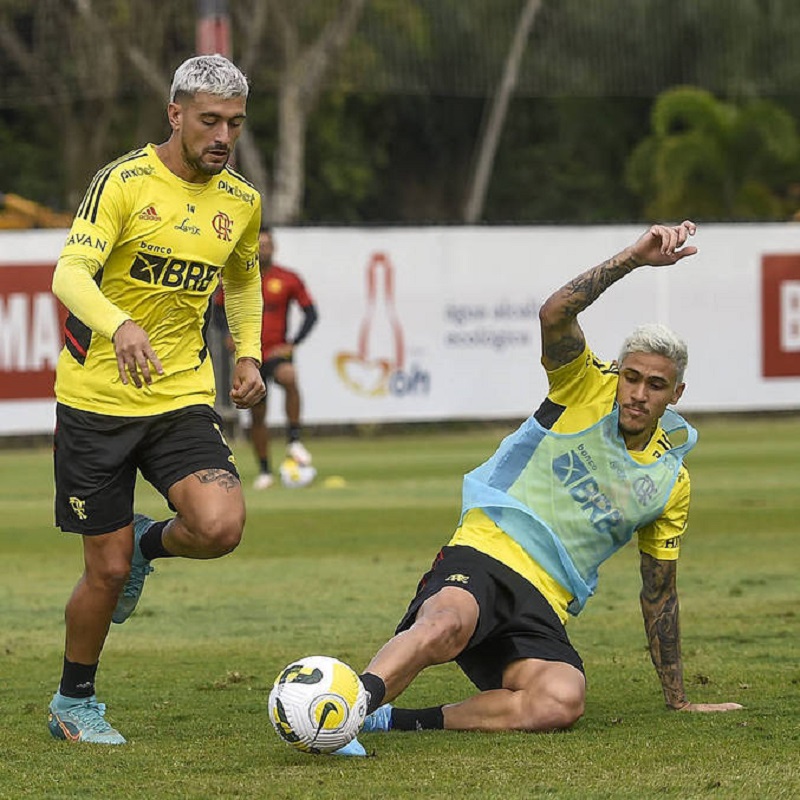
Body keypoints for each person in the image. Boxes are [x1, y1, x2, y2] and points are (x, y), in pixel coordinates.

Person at [339, 220, 742, 755]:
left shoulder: (670, 481)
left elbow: (659, 591)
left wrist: (678, 698)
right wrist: (633, 258)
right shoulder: (582, 383)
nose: (638, 393)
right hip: (484, 552)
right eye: (632, 376)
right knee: (444, 627)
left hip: (544, 602)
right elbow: (554, 313)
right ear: (619, 373)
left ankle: (392, 721)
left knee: (561, 700)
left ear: (676, 394)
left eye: (656, 384)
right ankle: (346, 709)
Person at [47, 54, 265, 745]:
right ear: (175, 115)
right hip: (95, 401)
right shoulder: (123, 182)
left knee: (220, 526)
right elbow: (71, 273)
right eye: (209, 121)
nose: (222, 135)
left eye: (233, 122)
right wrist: (122, 324)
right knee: (103, 573)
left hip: (179, 396)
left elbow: (245, 280)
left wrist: (250, 351)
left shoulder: (241, 200)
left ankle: (149, 542)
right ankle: (72, 702)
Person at [216, 226, 318, 489]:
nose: (264, 249)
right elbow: (216, 310)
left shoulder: (287, 278)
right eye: (260, 245)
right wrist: (228, 335)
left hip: (275, 352)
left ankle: (294, 439)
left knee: (289, 376)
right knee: (257, 414)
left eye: (268, 245)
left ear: (275, 248)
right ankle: (264, 471)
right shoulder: (237, 277)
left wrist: (292, 344)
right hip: (249, 356)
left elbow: (311, 313)